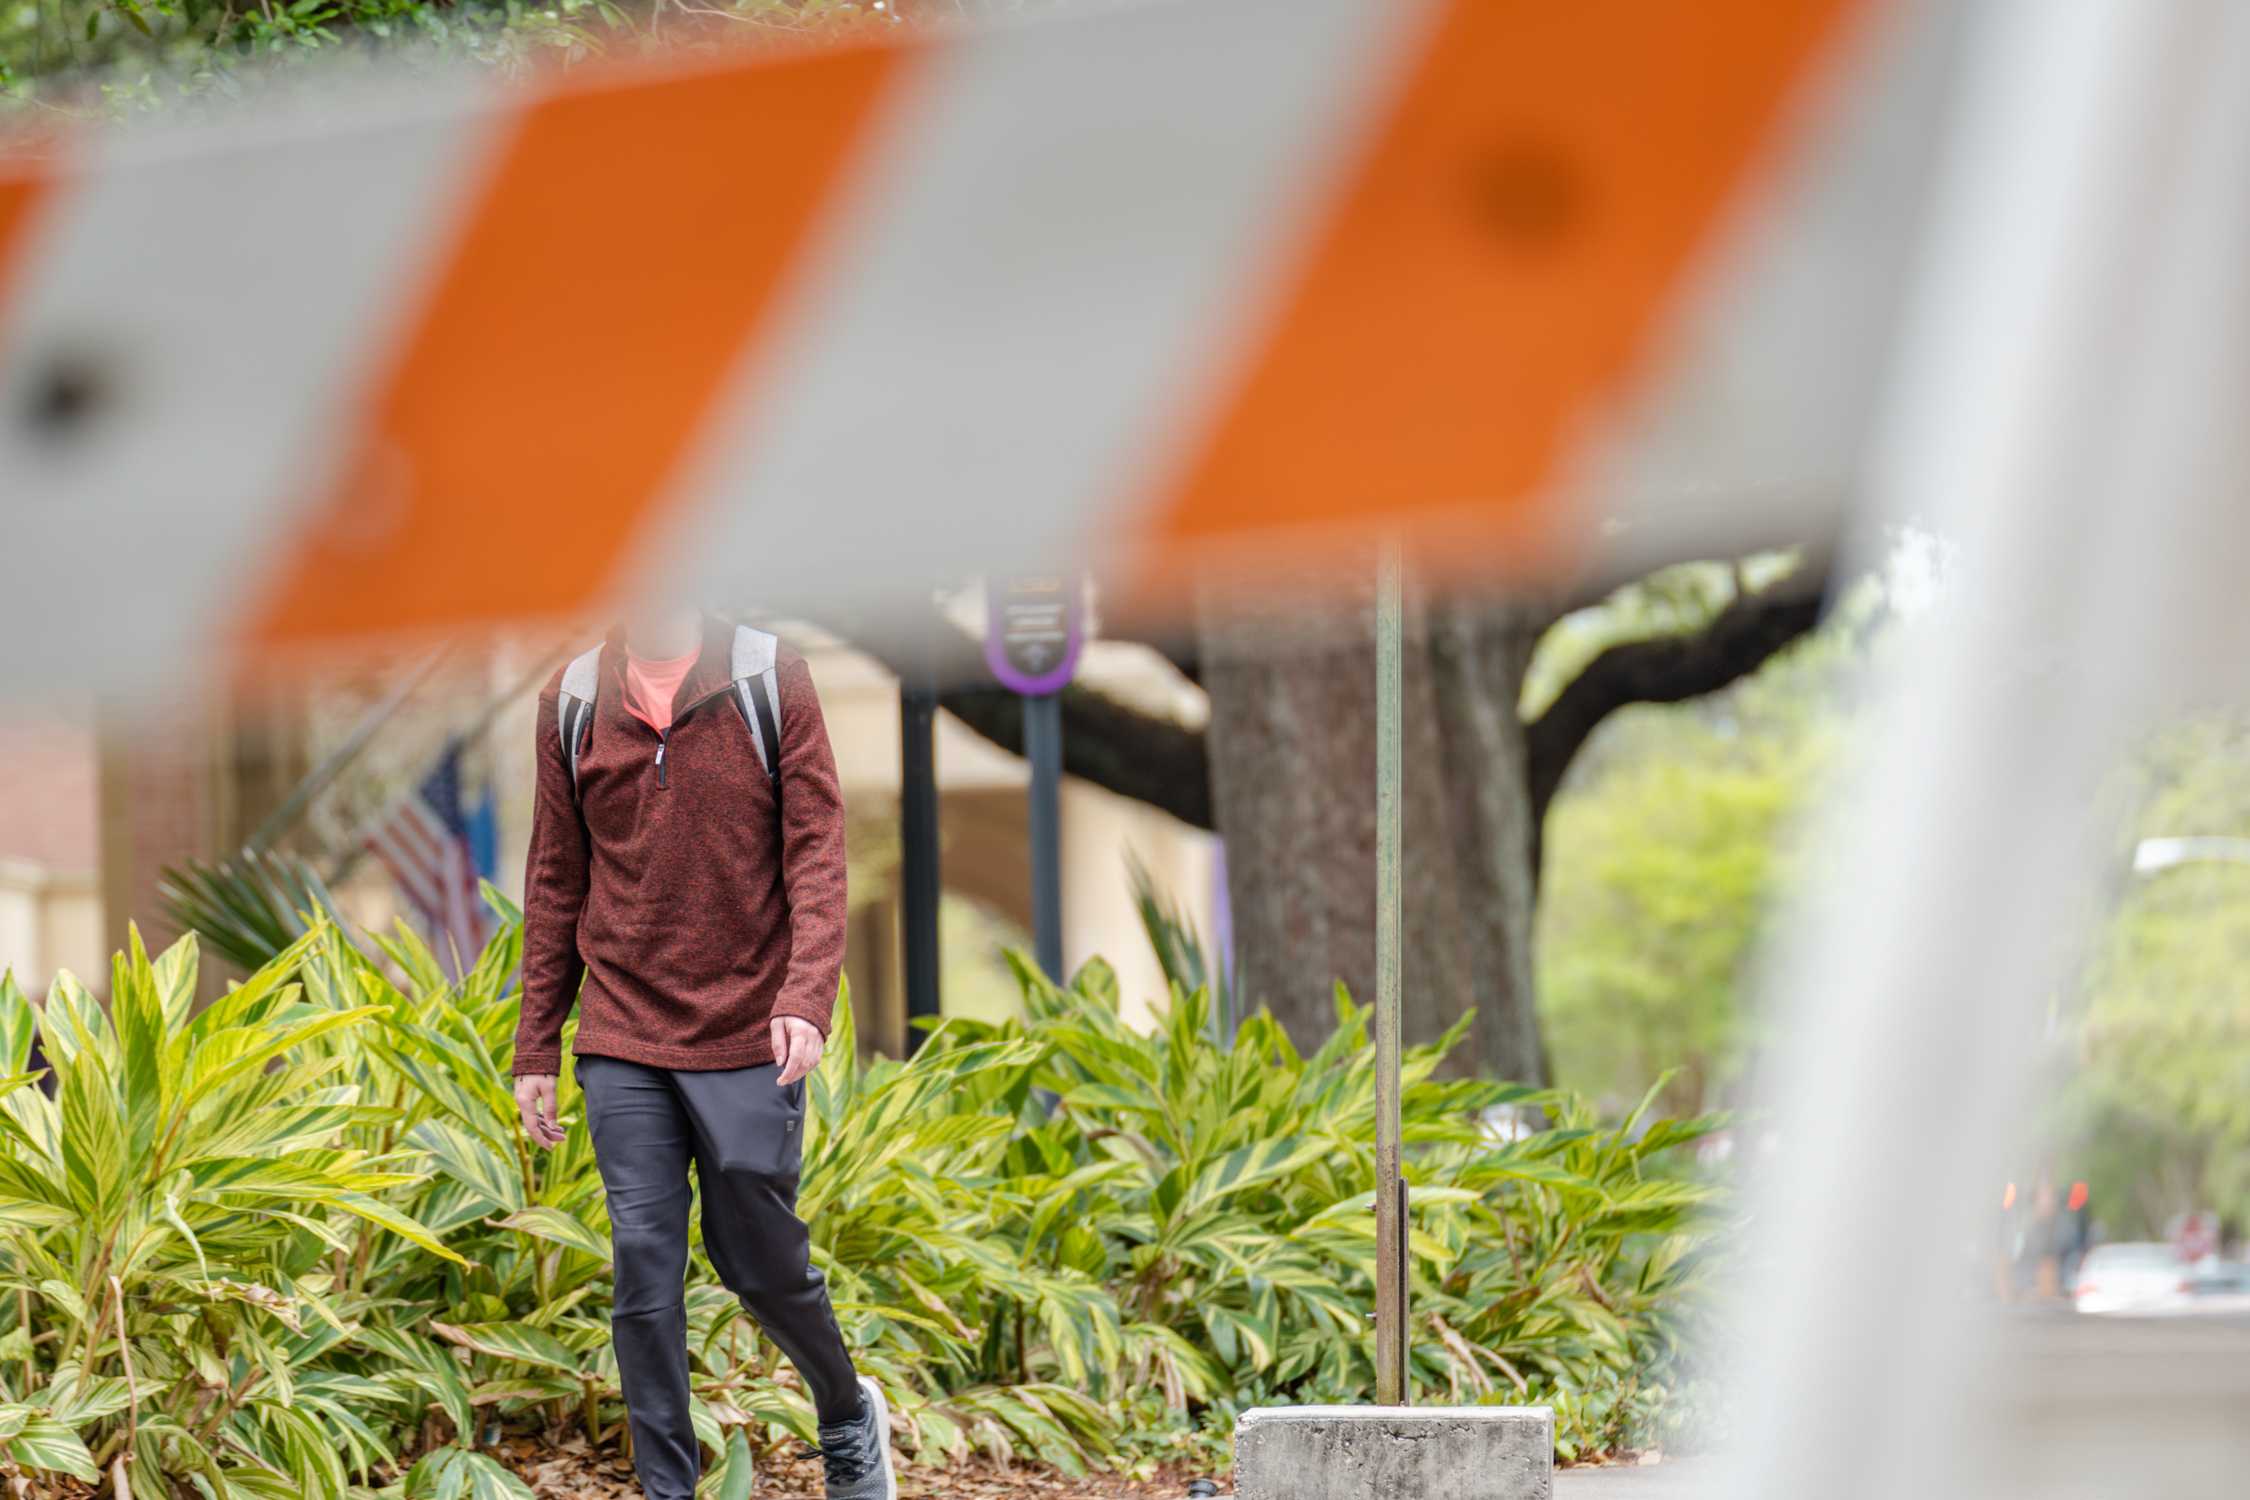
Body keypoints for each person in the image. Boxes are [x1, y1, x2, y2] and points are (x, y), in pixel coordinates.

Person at [510, 604, 894, 1500]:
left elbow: (816, 851)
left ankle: (843, 1409)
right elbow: (556, 877)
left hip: (748, 1023)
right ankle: (669, 1491)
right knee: (644, 1264)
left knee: (756, 1257)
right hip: (622, 1029)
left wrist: (806, 996)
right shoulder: (570, 700)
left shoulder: (768, 677)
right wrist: (537, 1044)